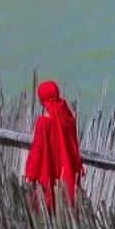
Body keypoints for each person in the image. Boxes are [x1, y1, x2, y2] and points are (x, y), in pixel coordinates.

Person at [22, 79, 83, 208]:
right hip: (66, 169)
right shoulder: (67, 116)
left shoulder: (43, 122)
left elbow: (37, 150)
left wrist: (30, 175)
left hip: (49, 169)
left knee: (48, 205)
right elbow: (73, 144)